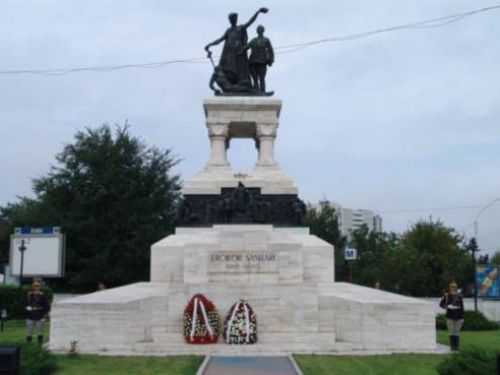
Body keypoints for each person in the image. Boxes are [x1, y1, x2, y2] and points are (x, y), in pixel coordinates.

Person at [205, 8, 268, 87]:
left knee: (241, 70)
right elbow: (220, 40)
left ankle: (242, 85)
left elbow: (250, 22)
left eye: (234, 19)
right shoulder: (229, 31)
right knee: (229, 70)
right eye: (232, 19)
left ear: (236, 19)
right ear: (230, 20)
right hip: (229, 54)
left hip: (239, 53)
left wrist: (258, 12)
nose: (233, 20)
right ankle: (231, 86)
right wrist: (210, 45)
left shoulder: (241, 28)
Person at [246, 25, 274, 94]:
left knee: (262, 78)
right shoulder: (253, 40)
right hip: (252, 62)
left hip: (262, 62)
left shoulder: (266, 40)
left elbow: (271, 50)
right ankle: (256, 92)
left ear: (262, 30)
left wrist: (271, 59)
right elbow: (246, 47)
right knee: (255, 79)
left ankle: (262, 92)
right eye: (258, 29)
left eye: (260, 29)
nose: (258, 30)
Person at [439, 281, 464, 351]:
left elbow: (462, 307)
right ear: (450, 288)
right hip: (450, 316)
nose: (453, 288)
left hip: (458, 316)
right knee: (451, 332)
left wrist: (462, 317)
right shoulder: (447, 295)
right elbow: (441, 304)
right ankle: (452, 347)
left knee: (457, 332)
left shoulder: (459, 296)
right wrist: (447, 307)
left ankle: (456, 347)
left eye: (454, 287)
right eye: (452, 287)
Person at [26, 280, 50, 345]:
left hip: (39, 315)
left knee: (40, 330)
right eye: (35, 286)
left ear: (40, 287)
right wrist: (27, 308)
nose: (36, 288)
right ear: (33, 287)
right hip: (30, 315)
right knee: (29, 331)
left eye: (38, 287)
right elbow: (26, 304)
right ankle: (28, 345)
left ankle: (40, 344)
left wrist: (43, 313)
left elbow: (47, 306)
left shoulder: (42, 296)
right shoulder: (29, 295)